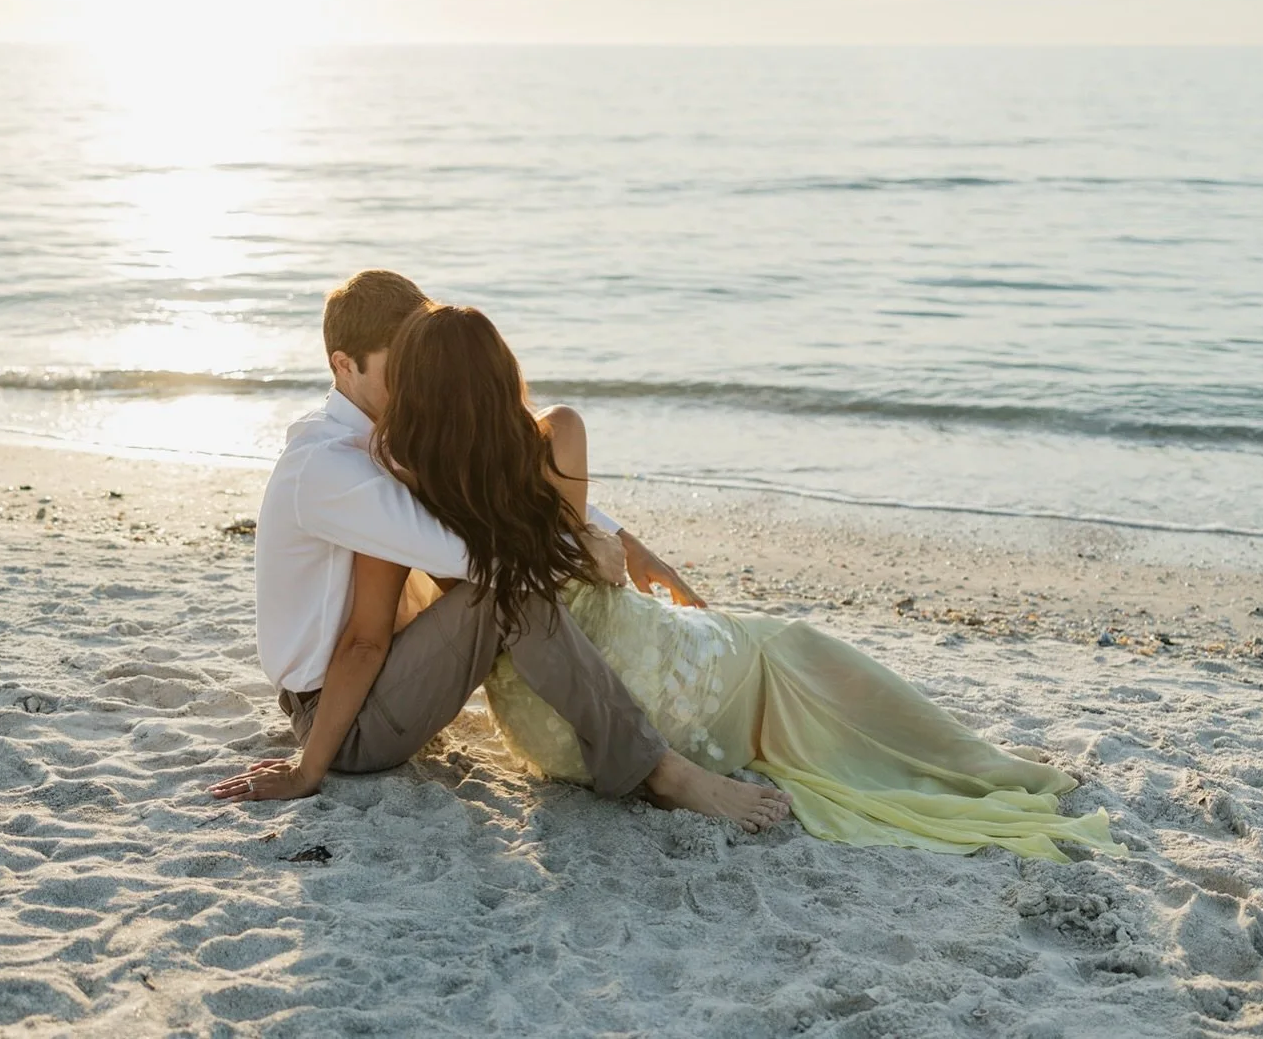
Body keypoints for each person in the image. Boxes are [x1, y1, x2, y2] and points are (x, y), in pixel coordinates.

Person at [325, 302, 1125, 863]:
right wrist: (612, 546)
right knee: (786, 644)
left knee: (759, 650)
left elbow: (458, 592)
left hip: (546, 733)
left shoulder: (396, 478)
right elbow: (568, 553)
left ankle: (698, 760)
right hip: (640, 687)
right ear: (503, 375)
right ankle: (977, 766)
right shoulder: (556, 431)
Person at [210, 270, 789, 833]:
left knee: (507, 581)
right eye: (403, 367)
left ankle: (649, 758)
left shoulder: (383, 446)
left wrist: (620, 540)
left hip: (384, 681)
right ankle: (658, 769)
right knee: (505, 589)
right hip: (341, 720)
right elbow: (478, 560)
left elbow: (490, 503)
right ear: (344, 365)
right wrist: (308, 767)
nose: (422, 381)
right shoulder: (332, 466)